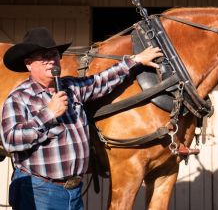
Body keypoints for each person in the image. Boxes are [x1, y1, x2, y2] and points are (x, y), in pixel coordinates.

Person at [0, 27, 163, 210]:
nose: (51, 61)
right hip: (39, 191)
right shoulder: (19, 97)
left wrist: (136, 60)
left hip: (73, 191)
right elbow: (10, 140)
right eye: (43, 56)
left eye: (54, 54)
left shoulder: (70, 88)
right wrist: (49, 114)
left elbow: (101, 81)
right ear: (29, 64)